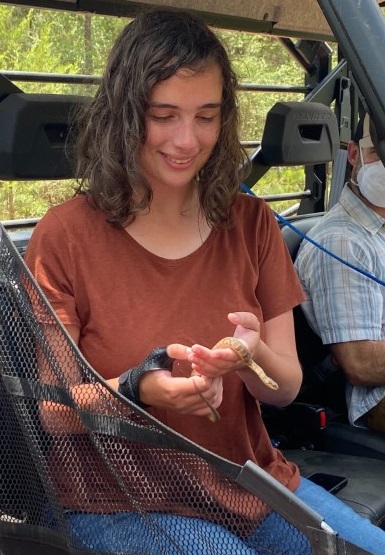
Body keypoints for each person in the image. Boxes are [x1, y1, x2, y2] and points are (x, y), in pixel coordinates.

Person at [24, 11, 385, 555]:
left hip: (249, 485)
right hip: (119, 497)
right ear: (125, 115)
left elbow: (284, 387)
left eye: (207, 117)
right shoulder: (66, 235)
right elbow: (52, 410)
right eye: (164, 115)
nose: (187, 141)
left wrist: (251, 353)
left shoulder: (252, 223)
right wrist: (138, 390)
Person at [295, 112, 385, 436]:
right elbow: (359, 362)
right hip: (375, 403)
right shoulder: (342, 241)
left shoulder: (379, 232)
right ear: (353, 154)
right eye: (378, 153)